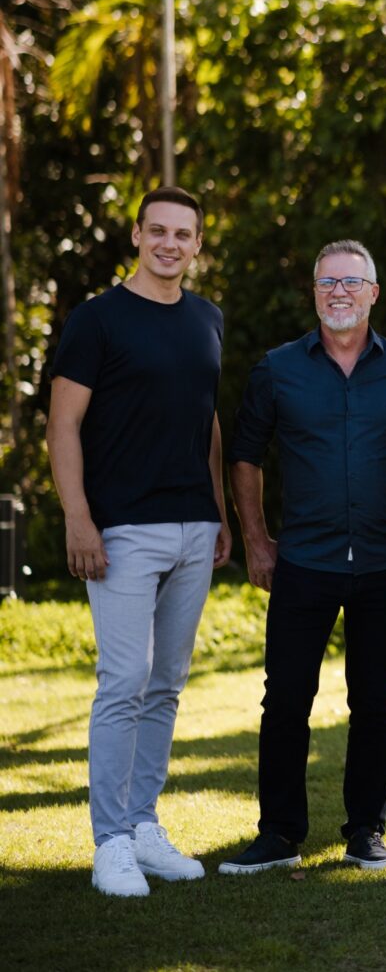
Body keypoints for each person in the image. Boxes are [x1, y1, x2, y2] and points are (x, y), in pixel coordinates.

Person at [219, 239, 386, 875]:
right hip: (303, 562)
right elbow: (245, 456)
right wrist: (257, 541)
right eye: (327, 283)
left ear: (373, 293)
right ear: (313, 294)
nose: (339, 293)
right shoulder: (278, 368)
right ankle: (280, 834)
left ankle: (366, 831)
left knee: (376, 704)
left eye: (351, 282)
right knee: (285, 701)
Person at [46, 186, 231, 898]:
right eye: (158, 230)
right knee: (123, 682)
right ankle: (111, 843)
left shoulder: (207, 318)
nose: (169, 243)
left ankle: (144, 824)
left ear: (197, 243)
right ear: (136, 235)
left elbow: (207, 419)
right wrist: (78, 517)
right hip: (121, 528)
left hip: (194, 526)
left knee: (166, 686)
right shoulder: (97, 319)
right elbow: (63, 425)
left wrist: (219, 512)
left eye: (183, 234)